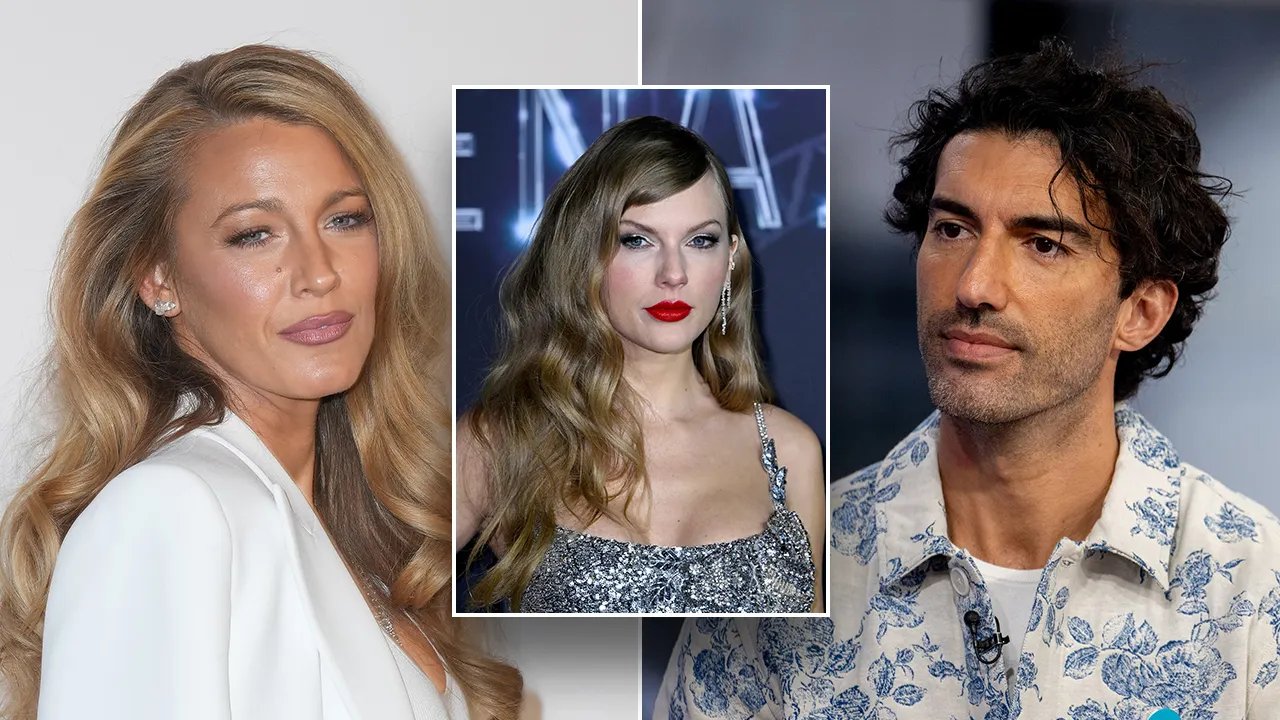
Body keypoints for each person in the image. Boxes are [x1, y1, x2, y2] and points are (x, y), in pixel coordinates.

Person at [658, 40, 1280, 718]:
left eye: (1043, 244)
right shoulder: (782, 580)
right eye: (953, 230)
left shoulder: (1255, 590)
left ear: (1140, 312)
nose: (975, 285)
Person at [0, 45, 520, 720]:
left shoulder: (348, 528)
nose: (319, 272)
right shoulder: (171, 508)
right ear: (157, 277)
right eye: (254, 235)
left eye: (345, 219)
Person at [456, 115, 824, 614]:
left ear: (731, 258)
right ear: (584, 255)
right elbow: (387, 600)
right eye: (637, 240)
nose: (673, 273)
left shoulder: (790, 450)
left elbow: (807, 654)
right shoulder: (499, 442)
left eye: (700, 241)